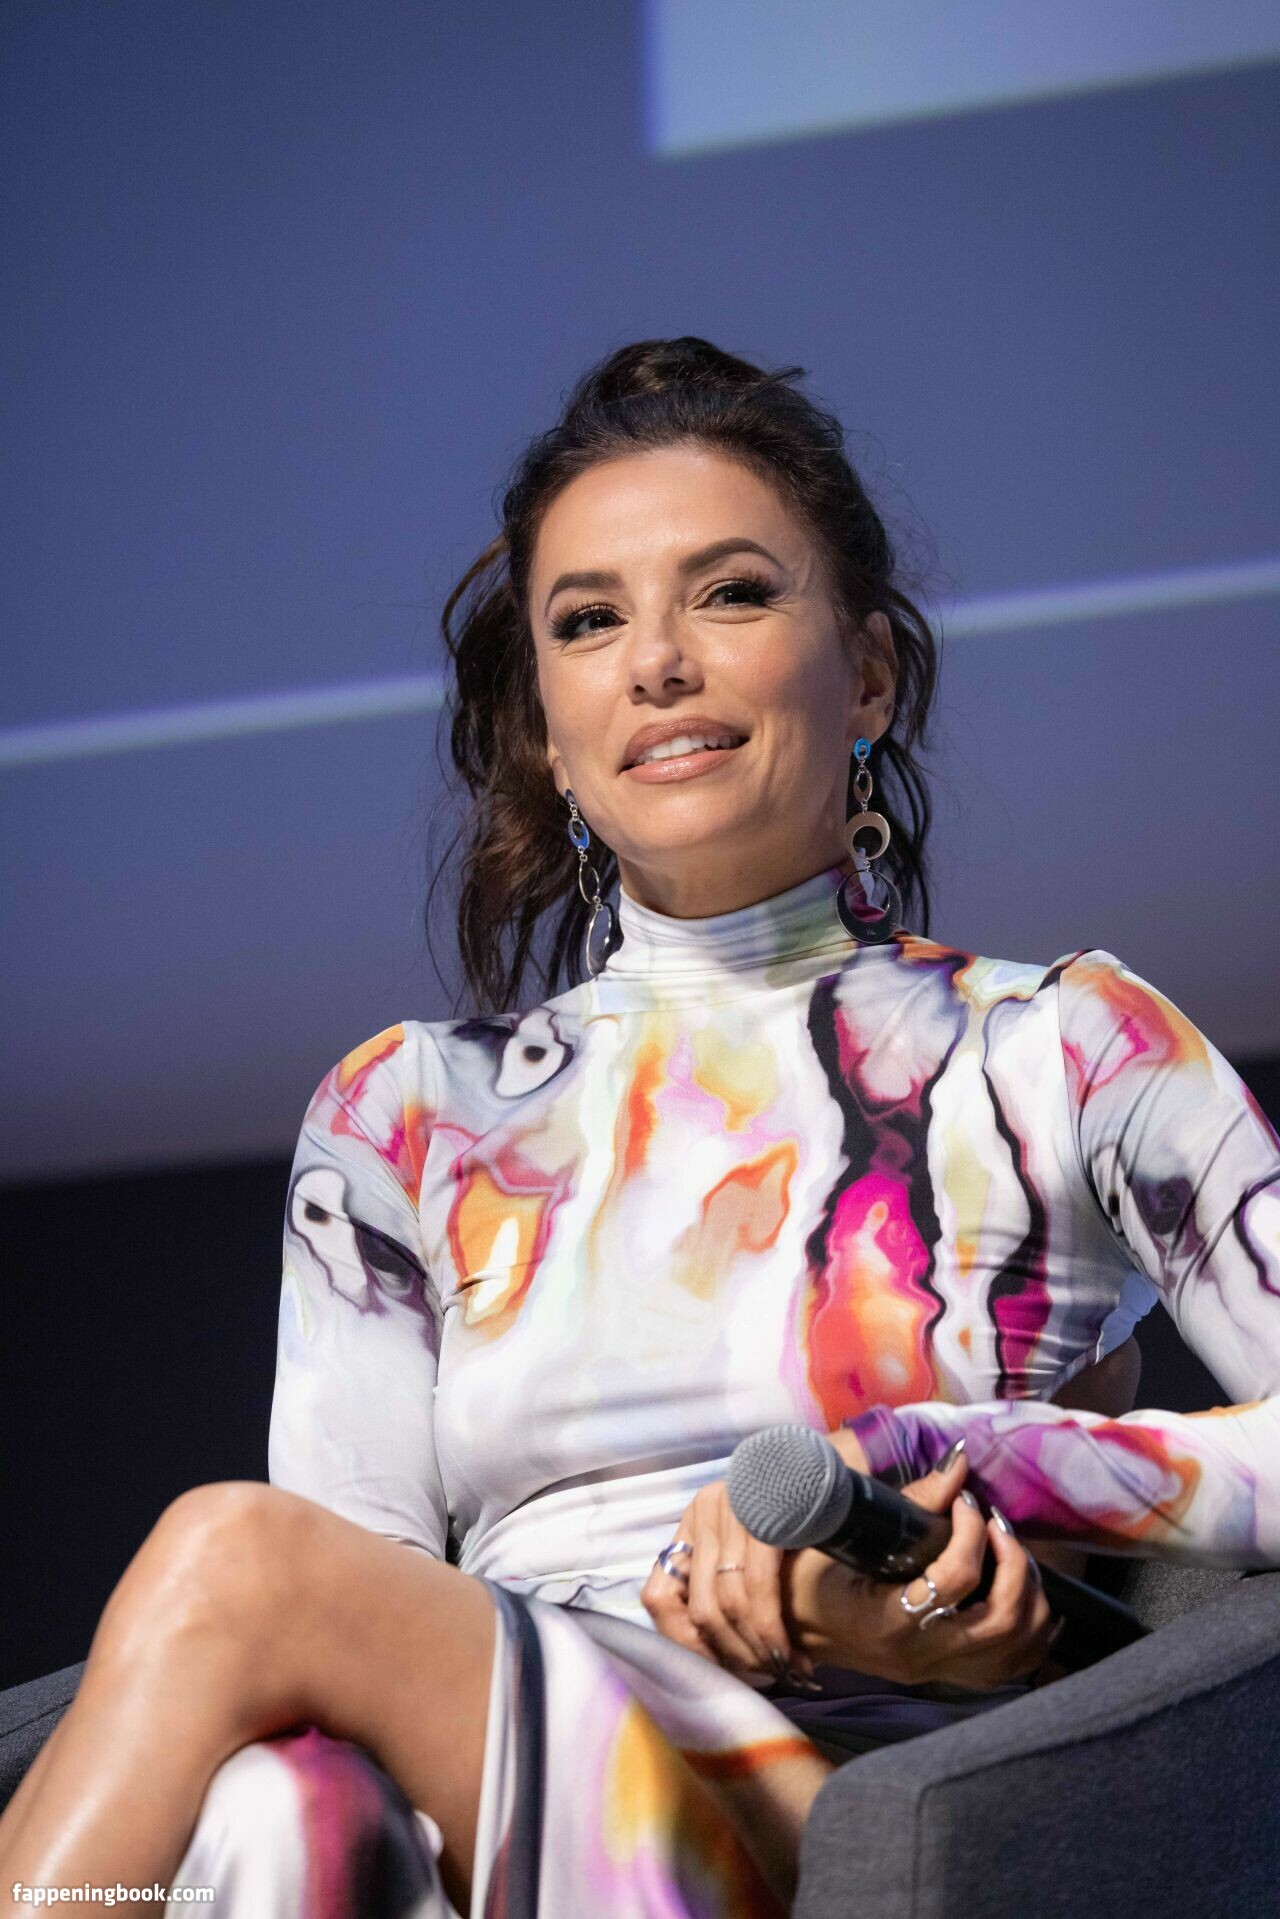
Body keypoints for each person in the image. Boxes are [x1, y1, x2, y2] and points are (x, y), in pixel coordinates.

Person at [2, 336, 1276, 1919]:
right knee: (284, 1800)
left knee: (235, 1564)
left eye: (731, 593)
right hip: (501, 1770)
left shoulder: (1063, 1043)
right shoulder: (408, 1111)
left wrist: (959, 1452)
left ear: (869, 675)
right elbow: (344, 1599)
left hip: (842, 1790)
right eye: (589, 622)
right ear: (550, 726)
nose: (657, 662)